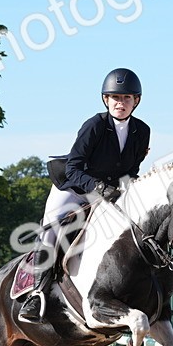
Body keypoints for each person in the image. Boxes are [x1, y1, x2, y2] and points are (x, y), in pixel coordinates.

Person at [18, 67, 151, 324]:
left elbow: (131, 170)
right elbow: (73, 167)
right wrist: (98, 187)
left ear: (136, 101)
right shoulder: (95, 125)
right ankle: (35, 294)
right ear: (106, 100)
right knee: (52, 232)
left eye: (126, 98)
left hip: (109, 193)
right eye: (115, 97)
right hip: (73, 188)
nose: (120, 103)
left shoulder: (141, 130)